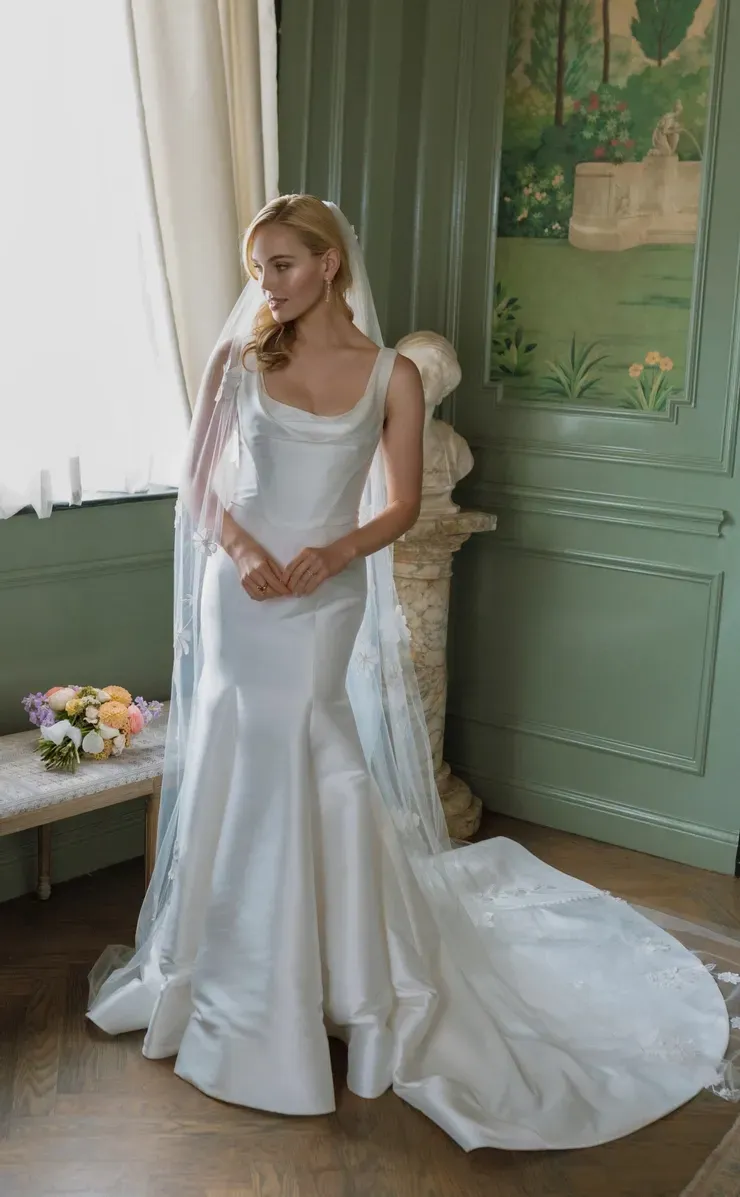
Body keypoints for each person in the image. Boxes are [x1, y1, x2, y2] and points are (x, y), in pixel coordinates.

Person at [87, 195, 740, 1152]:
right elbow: (198, 487)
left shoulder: (391, 376)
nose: (263, 284)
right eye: (257, 265)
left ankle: (344, 977)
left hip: (323, 594)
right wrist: (246, 549)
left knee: (315, 758)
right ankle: (225, 974)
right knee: (241, 755)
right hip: (245, 595)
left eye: (281, 264)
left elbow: (398, 508)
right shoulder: (237, 359)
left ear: (330, 265)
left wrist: (331, 552)